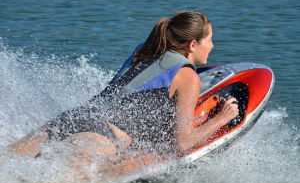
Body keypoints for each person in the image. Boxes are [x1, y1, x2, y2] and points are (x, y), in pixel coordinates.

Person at [8, 11, 239, 167]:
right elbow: (182, 142)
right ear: (192, 45)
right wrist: (220, 119)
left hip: (75, 117)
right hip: (99, 138)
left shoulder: (145, 49)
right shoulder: (187, 76)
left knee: (8, 163)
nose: (213, 45)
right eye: (209, 39)